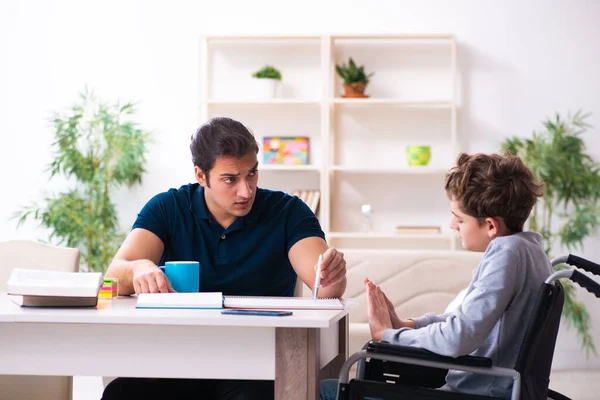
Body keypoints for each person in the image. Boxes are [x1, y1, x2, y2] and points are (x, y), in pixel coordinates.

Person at [102, 116, 347, 400]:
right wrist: (138, 269)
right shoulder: (168, 208)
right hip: (176, 362)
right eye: (230, 179)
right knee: (120, 394)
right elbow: (113, 276)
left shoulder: (287, 212)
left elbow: (324, 286)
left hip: (259, 367)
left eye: (252, 174)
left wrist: (333, 275)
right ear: (200, 175)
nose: (246, 191)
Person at [321, 152, 548, 400]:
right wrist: (407, 326)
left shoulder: (506, 256)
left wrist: (387, 336)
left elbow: (459, 336)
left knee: (325, 389)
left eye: (459, 219)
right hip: (489, 388)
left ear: (491, 226)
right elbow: (463, 321)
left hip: (475, 393)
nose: (452, 225)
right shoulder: (531, 251)